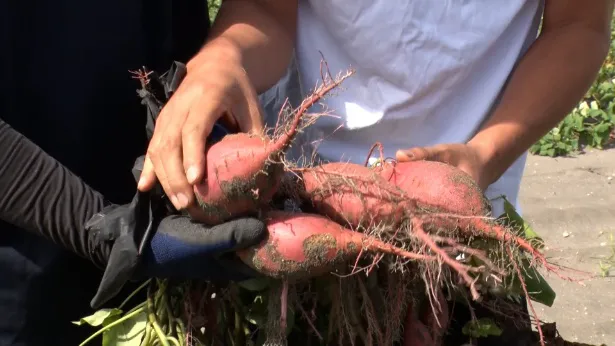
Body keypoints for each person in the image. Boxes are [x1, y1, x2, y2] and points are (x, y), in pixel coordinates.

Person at [139, 0, 614, 344]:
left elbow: (579, 26)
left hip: (462, 214)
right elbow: (265, 8)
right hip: (289, 204)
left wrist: (483, 157)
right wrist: (222, 59)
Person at [0, 3, 264, 346]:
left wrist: (220, 59)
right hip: (22, 278)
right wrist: (102, 230)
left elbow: (260, 10)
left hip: (175, 249)